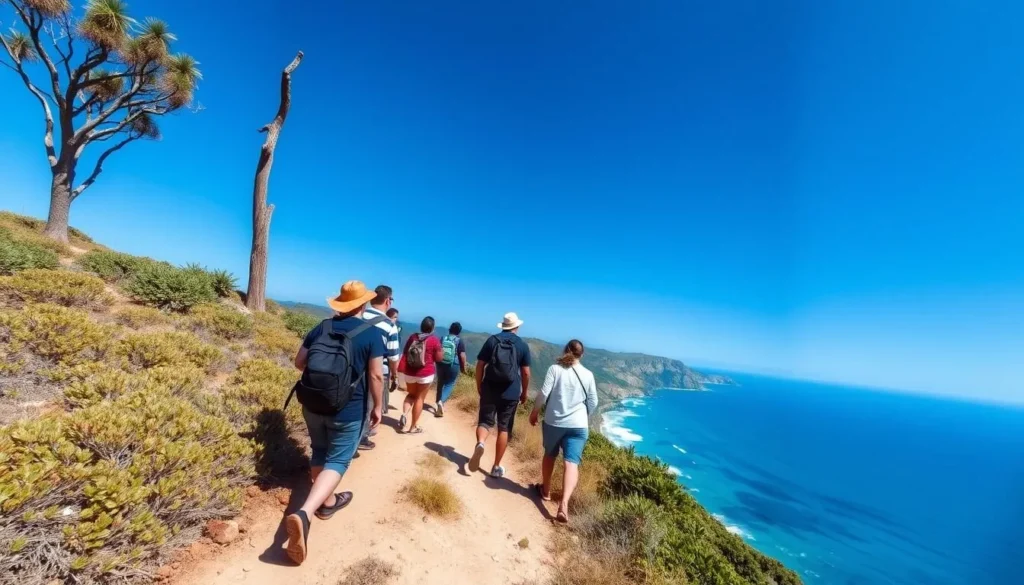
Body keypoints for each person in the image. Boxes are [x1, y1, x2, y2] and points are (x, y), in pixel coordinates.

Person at [283, 280, 386, 565]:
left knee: (319, 449)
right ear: (363, 305)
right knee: (338, 460)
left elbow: (299, 362)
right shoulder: (372, 334)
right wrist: (378, 407)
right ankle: (305, 513)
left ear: (341, 304)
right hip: (347, 410)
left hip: (312, 403)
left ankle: (327, 502)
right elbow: (376, 376)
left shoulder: (322, 327)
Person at [529, 339, 598, 524]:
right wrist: (583, 416)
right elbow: (593, 401)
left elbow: (543, 393)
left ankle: (545, 491)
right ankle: (564, 504)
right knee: (571, 463)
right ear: (582, 355)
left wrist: (534, 412)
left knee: (550, 455)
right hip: (579, 425)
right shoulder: (588, 374)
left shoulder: (555, 369)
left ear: (565, 350)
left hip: (554, 422)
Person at [469, 312, 531, 478]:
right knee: (504, 428)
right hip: (511, 393)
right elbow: (525, 373)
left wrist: (479, 384)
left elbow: (480, 364)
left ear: (503, 326)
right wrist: (524, 393)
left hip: (489, 387)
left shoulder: (492, 340)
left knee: (485, 421)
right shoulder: (522, 345)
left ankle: (481, 443)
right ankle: (496, 466)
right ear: (516, 327)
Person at [359, 285, 400, 449]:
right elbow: (393, 356)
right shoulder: (390, 325)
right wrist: (394, 375)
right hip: (377, 370)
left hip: (354, 365)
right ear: (388, 300)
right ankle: (362, 437)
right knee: (369, 404)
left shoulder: (359, 315)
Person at [397, 317, 444, 433]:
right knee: (419, 398)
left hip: (410, 372)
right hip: (425, 374)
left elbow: (405, 352)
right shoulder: (434, 340)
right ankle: (413, 427)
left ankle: (405, 413)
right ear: (432, 328)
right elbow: (439, 358)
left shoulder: (413, 337)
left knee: (411, 395)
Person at [434, 322, 468, 417]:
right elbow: (462, 355)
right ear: (459, 332)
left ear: (449, 329)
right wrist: (463, 368)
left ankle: (437, 403)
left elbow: (438, 350)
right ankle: (441, 401)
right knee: (450, 384)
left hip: (440, 363)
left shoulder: (443, 338)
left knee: (440, 382)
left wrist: (436, 361)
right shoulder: (459, 341)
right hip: (453, 364)